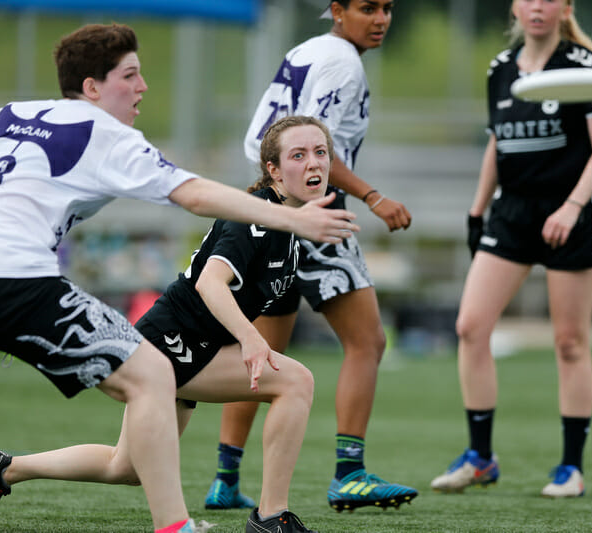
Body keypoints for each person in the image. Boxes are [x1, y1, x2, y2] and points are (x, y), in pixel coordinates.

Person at [0, 23, 357, 533]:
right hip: (150, 329)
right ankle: (255, 519)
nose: (143, 87)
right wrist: (253, 330)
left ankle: (2, 470)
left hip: (151, 328)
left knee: (130, 467)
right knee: (288, 380)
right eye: (131, 75)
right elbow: (197, 208)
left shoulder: (8, 114)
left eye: (321, 154)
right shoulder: (106, 134)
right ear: (92, 87)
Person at [203, 0, 417, 514]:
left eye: (388, 8)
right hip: (312, 211)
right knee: (367, 340)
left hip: (268, 200)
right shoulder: (342, 60)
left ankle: (225, 478)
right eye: (368, 8)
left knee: (265, 355)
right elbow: (309, 148)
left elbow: (264, 137)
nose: (382, 18)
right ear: (337, 11)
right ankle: (350, 473)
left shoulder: (308, 49)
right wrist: (372, 196)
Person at [430, 0, 592, 498]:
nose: (538, 5)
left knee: (570, 343)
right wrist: (477, 209)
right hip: (511, 214)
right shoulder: (500, 68)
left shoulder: (585, 67)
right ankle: (481, 458)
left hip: (567, 216)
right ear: (515, 6)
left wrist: (573, 207)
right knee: (470, 327)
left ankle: (571, 468)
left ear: (566, 7)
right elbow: (498, 140)